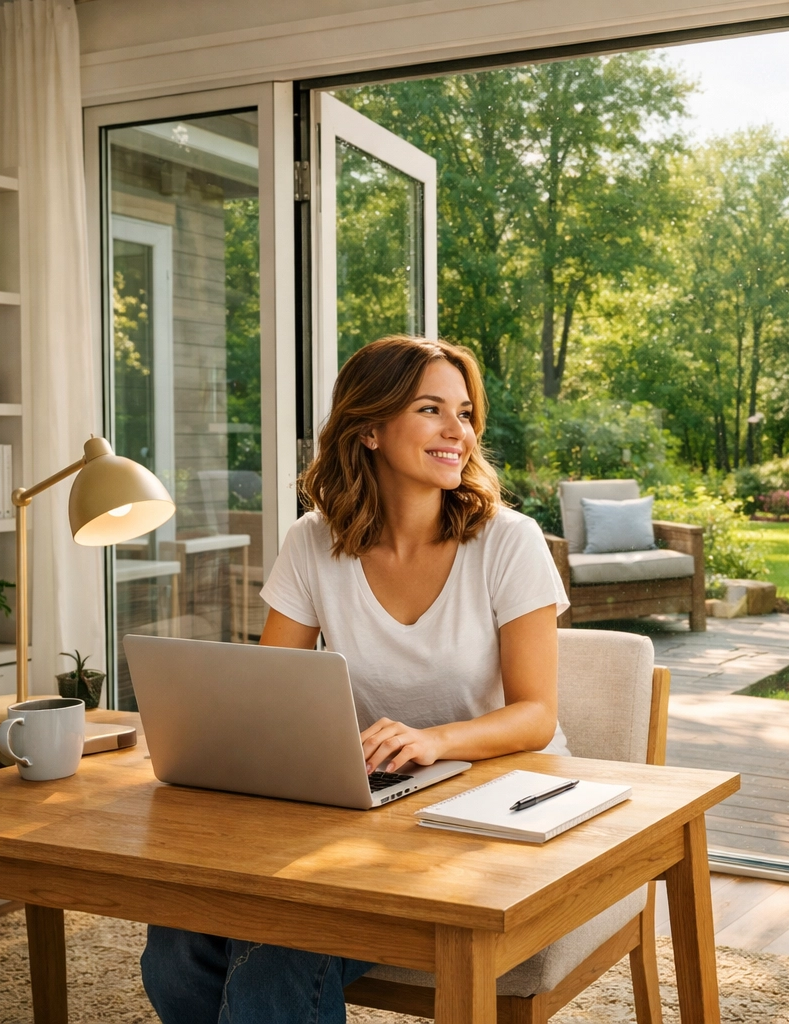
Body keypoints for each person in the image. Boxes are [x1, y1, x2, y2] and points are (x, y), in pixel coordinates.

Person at [140, 336, 569, 1024]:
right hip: (364, 802)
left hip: (494, 803)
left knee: (281, 950)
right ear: (369, 428)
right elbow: (270, 691)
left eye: (464, 412)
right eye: (432, 409)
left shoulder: (507, 541)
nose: (457, 430)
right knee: (178, 937)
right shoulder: (313, 541)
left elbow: (536, 715)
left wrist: (434, 740)